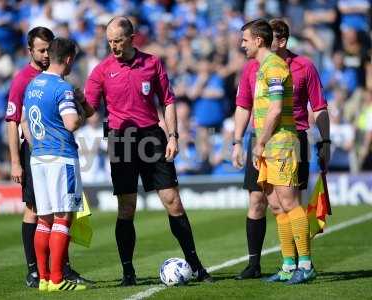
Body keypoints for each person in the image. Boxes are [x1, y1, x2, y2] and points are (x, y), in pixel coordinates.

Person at [84, 16, 212, 286]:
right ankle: (128, 273)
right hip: (121, 139)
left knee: (173, 201)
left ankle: (197, 265)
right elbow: (89, 109)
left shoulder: (152, 63)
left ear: (132, 38)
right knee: (127, 207)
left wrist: (173, 136)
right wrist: (76, 102)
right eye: (109, 41)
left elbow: (168, 100)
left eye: (117, 41)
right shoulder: (101, 70)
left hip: (152, 136)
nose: (113, 46)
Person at [232, 19, 330, 281]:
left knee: (290, 203)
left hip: (282, 144)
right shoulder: (261, 67)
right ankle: (288, 266)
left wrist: (260, 143)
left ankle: (306, 265)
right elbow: (248, 106)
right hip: (268, 144)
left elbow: (275, 110)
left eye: (244, 40)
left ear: (258, 41)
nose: (241, 45)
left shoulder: (275, 67)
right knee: (275, 205)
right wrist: (244, 142)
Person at [5, 27, 92, 288]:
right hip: (60, 157)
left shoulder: (32, 85)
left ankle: (43, 279)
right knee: (63, 218)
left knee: (43, 219)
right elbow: (72, 123)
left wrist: (37, 145)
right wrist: (80, 111)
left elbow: (22, 122)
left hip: (38, 157)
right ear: (67, 60)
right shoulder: (62, 88)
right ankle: (57, 279)